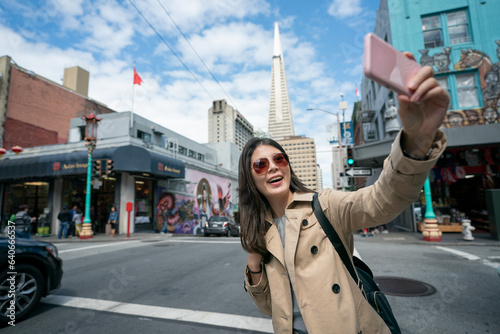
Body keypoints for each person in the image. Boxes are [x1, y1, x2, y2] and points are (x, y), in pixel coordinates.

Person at [239, 54, 449, 334]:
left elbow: (382, 200)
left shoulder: (323, 205)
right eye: (261, 164)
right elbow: (271, 308)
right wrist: (254, 261)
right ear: (250, 177)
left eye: (280, 159)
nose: (273, 167)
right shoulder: (260, 230)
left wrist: (418, 139)